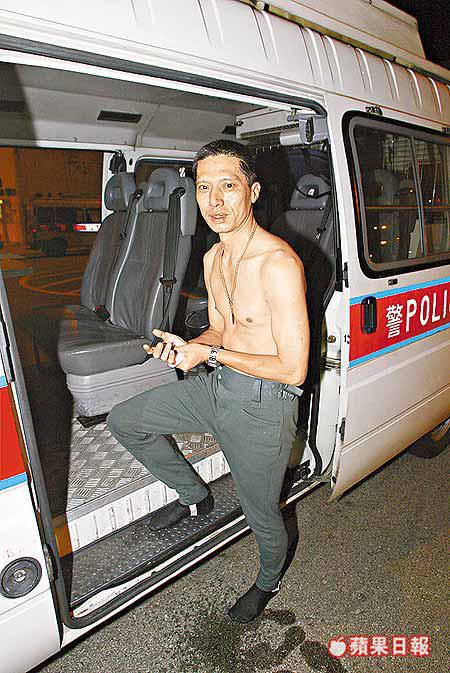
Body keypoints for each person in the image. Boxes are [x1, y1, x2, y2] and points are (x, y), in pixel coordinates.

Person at [107, 139, 309, 622]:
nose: (214, 201)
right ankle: (196, 496)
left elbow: (294, 368)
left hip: (263, 404)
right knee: (125, 420)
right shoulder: (213, 258)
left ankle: (268, 581)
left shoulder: (278, 264)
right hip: (218, 386)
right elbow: (221, 328)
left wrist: (210, 353)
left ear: (252, 192)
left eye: (228, 186)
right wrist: (189, 346)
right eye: (203, 188)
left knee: (261, 515)